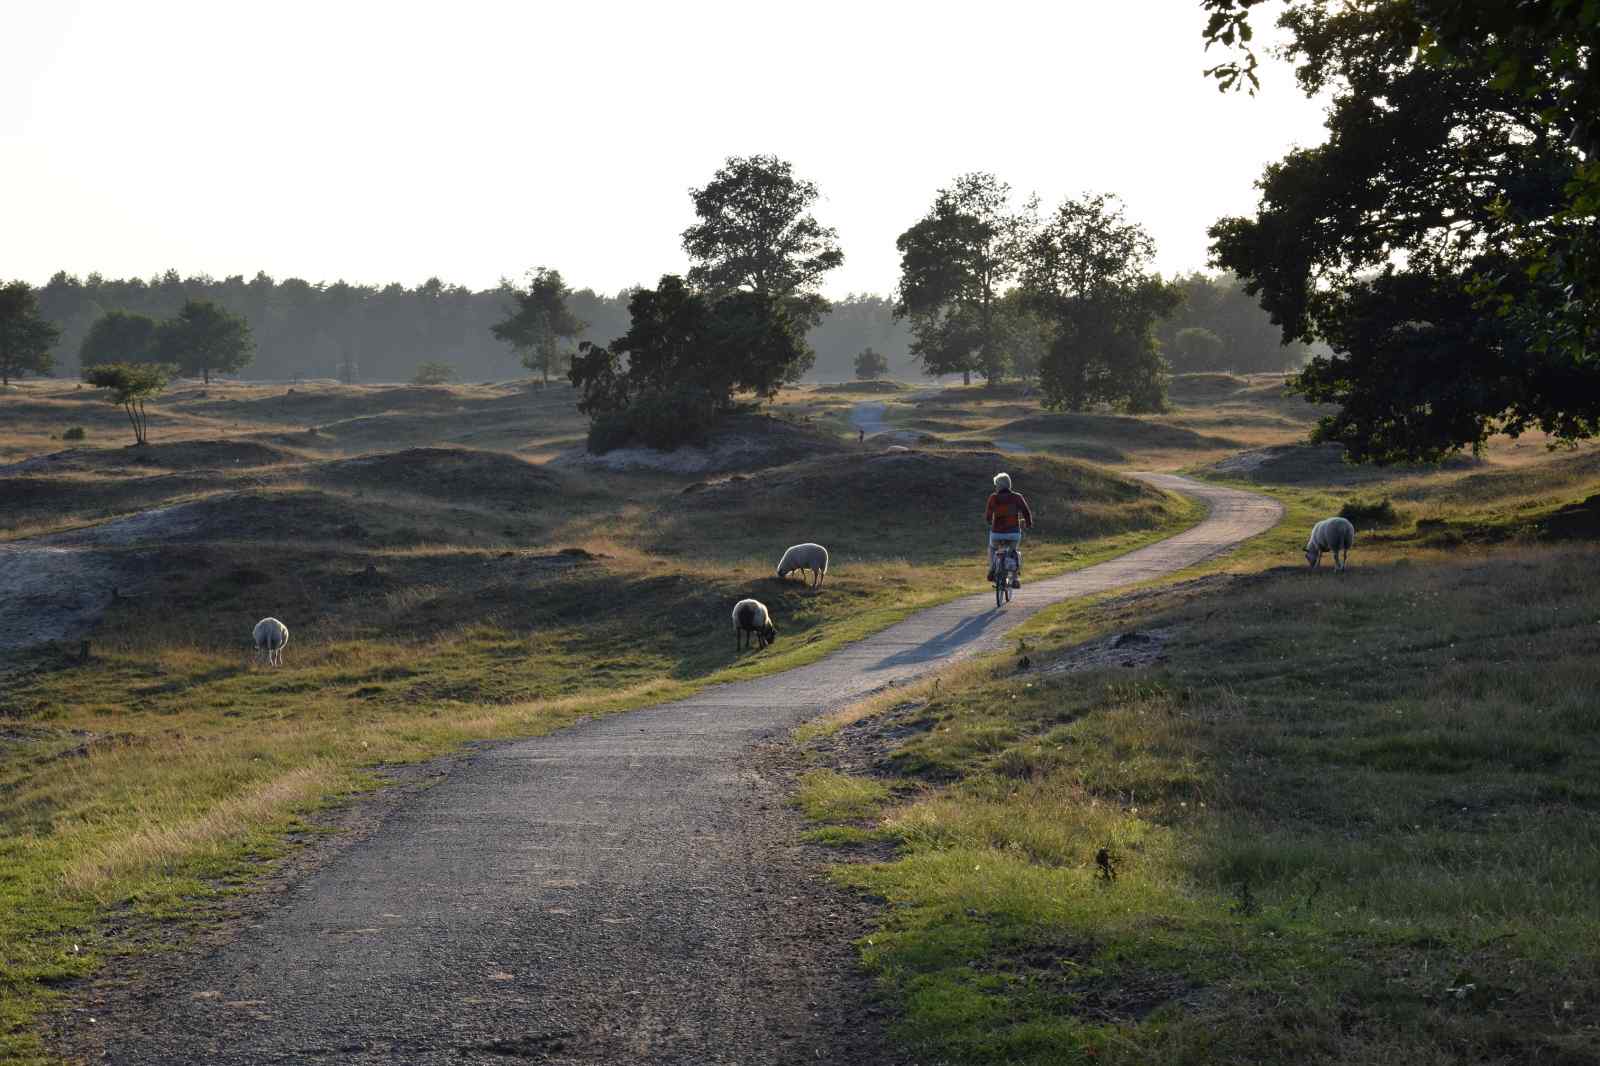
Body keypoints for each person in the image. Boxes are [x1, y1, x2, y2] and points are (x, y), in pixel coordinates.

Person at [985, 472, 1033, 587]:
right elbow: (1026, 511)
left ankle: (992, 568)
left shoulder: (993, 498)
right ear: (1009, 484)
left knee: (992, 548)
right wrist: (1028, 523)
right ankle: (1015, 579)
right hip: (1013, 533)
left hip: (997, 533)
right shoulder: (1017, 497)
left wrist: (989, 522)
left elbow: (988, 515)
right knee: (1013, 552)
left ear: (998, 485)